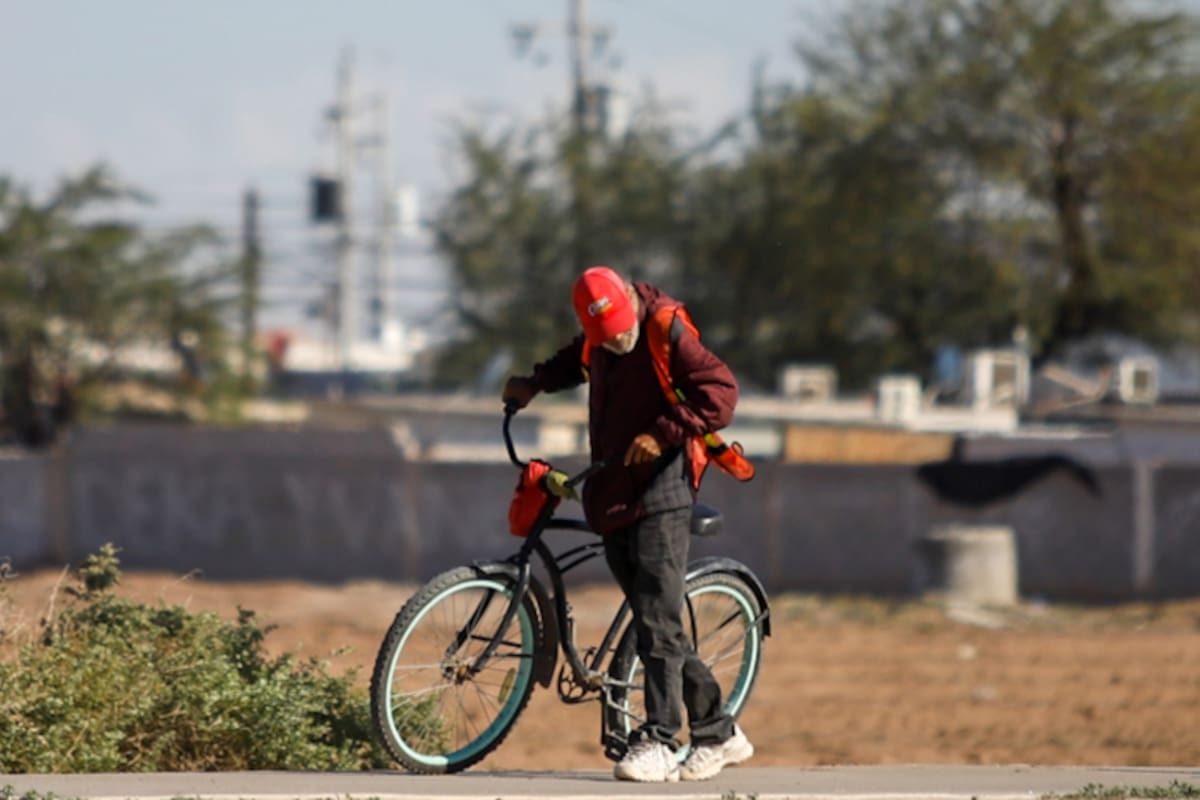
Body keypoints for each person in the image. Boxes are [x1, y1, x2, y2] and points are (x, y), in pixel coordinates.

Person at [502, 266, 754, 783]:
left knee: (657, 624)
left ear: (630, 303)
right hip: (613, 489)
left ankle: (661, 740)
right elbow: (576, 360)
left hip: (663, 491)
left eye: (621, 330)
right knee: (653, 620)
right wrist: (534, 384)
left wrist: (663, 435)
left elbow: (720, 393)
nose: (616, 341)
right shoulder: (599, 342)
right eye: (604, 337)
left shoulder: (665, 328)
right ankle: (720, 732)